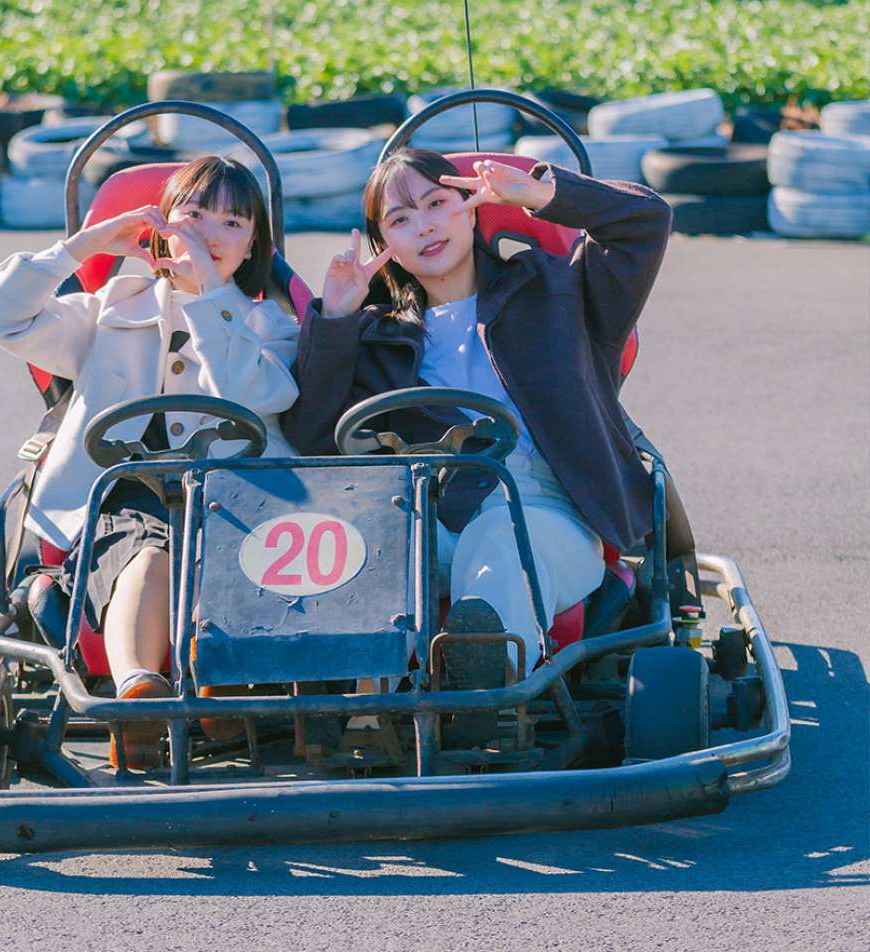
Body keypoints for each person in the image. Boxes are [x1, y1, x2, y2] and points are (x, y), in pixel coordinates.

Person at [281, 148, 671, 745]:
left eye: (437, 203)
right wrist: (334, 318)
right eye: (401, 219)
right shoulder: (377, 335)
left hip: (548, 504)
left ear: (471, 207)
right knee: (365, 544)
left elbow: (646, 221)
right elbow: (310, 437)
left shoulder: (556, 288)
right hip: (426, 513)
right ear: (383, 243)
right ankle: (362, 710)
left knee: (500, 538)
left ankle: (478, 693)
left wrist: (541, 196)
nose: (425, 227)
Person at [0, 155, 299, 767]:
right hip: (123, 497)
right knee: (148, 552)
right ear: (161, 227)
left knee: (214, 544)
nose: (209, 234)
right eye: (194, 215)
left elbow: (248, 390)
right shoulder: (107, 311)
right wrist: (82, 248)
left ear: (254, 243)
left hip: (241, 500)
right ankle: (137, 698)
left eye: (232, 222)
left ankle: (219, 686)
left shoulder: (270, 324)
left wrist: (210, 293)